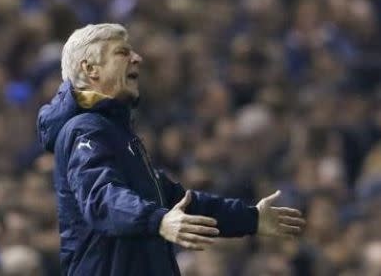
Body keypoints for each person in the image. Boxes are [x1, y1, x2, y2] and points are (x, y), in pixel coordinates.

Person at [36, 23, 306, 276]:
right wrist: (158, 221)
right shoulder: (86, 128)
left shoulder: (118, 135)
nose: (137, 58)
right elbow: (101, 199)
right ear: (91, 68)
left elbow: (179, 201)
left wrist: (251, 218)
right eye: (122, 52)